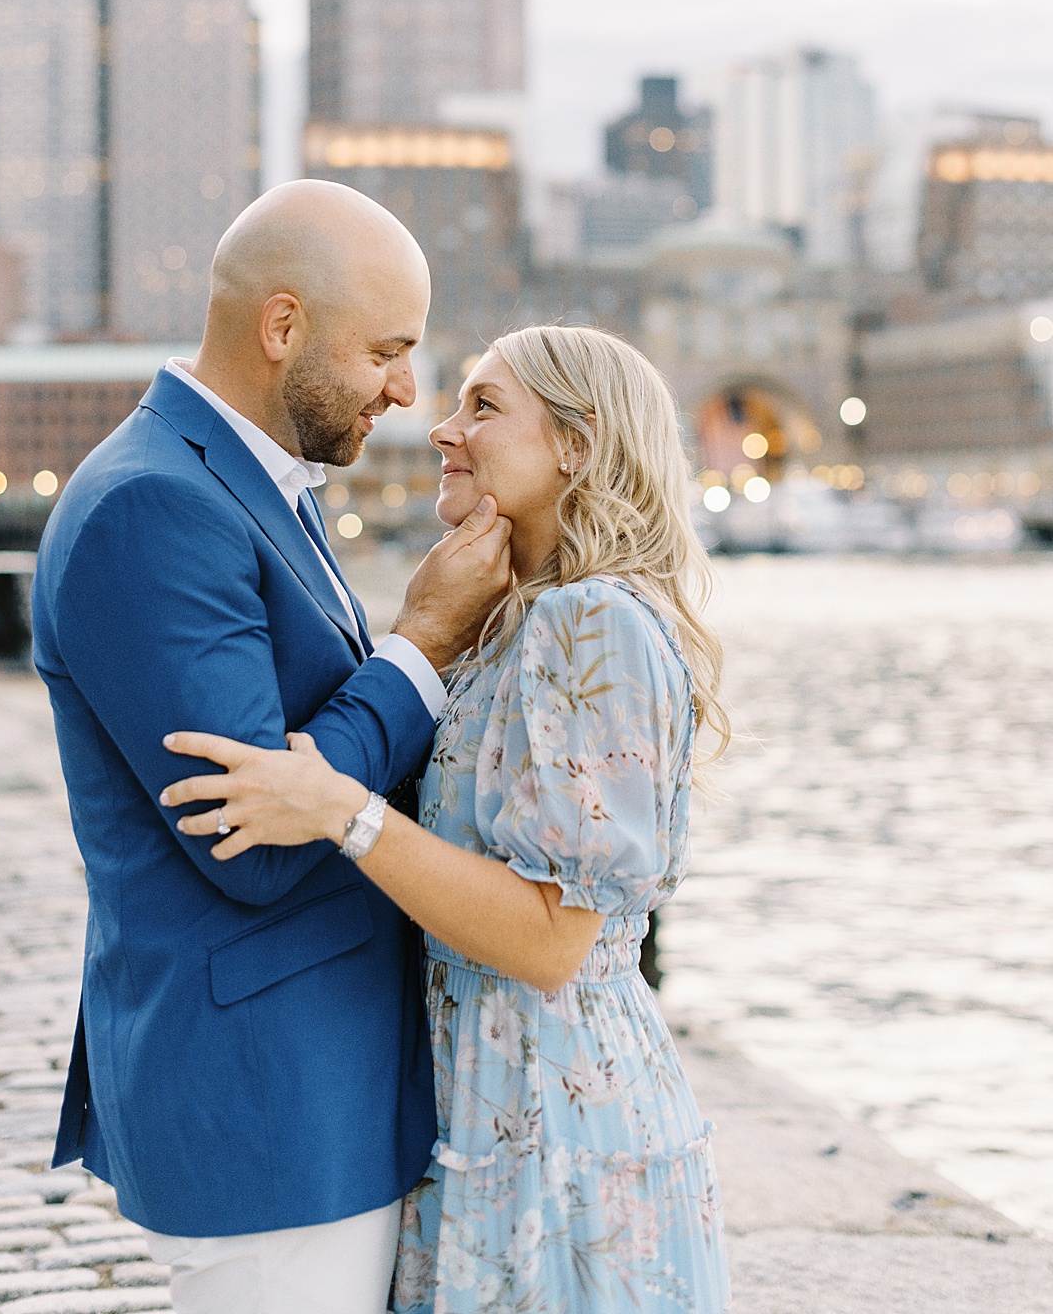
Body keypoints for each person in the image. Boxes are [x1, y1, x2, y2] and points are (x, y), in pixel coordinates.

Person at [163, 323, 732, 1312]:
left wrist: (340, 810)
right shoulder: (523, 620)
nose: (441, 428)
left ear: (578, 444)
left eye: (483, 406)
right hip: (483, 1113)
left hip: (559, 1130)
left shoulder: (592, 622)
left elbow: (554, 939)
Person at [31, 182, 512, 1314]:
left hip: (316, 1088)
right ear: (283, 327)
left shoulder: (240, 484)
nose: (406, 389)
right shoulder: (151, 509)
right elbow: (250, 844)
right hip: (266, 1105)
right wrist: (424, 646)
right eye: (388, 351)